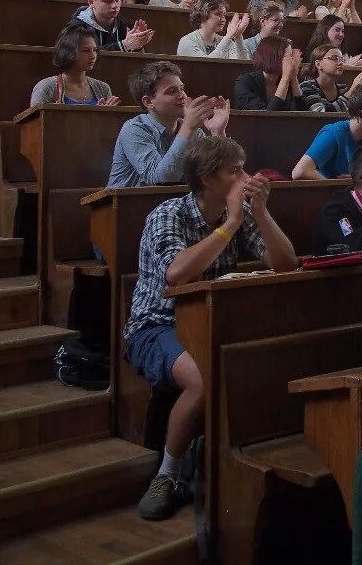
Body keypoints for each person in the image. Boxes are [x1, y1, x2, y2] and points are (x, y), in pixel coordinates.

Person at [125, 136, 297, 520]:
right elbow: (177, 274)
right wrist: (233, 222)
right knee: (203, 379)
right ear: (206, 179)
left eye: (244, 169)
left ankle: (238, 461)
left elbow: (286, 265)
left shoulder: (238, 213)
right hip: (157, 326)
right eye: (235, 172)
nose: (246, 177)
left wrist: (261, 212)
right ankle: (167, 475)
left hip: (214, 322)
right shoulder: (168, 214)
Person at [108, 61, 231, 188]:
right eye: (172, 91)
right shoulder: (134, 129)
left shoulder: (192, 130)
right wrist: (188, 128)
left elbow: (218, 174)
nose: (182, 96)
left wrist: (218, 133)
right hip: (125, 205)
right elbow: (160, 179)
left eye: (181, 88)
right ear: (149, 101)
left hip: (171, 204)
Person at [30, 26, 120, 106]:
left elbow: (109, 124)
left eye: (95, 50)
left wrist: (104, 116)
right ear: (69, 52)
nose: (93, 56)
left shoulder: (103, 88)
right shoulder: (46, 87)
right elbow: (36, 123)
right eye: (86, 51)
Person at [71, 0, 155, 52]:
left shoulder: (126, 27)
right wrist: (124, 45)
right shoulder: (77, 27)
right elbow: (85, 55)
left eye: (117, 0)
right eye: (108, 1)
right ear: (91, 2)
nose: (115, 6)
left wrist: (137, 46)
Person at [233, 37, 306, 111]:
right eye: (290, 56)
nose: (293, 60)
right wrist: (285, 79)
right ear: (274, 57)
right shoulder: (244, 82)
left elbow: (302, 113)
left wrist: (294, 78)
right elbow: (268, 117)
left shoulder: (290, 81)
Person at [300, 44, 362, 113]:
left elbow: (358, 114)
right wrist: (352, 90)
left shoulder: (342, 89)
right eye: (334, 58)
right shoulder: (307, 87)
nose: (340, 63)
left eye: (341, 59)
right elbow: (321, 114)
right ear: (318, 64)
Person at [176, 0, 251, 60]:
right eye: (218, 14)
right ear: (203, 15)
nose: (223, 19)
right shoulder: (187, 41)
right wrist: (228, 37)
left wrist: (238, 36)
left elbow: (241, 66)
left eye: (224, 15)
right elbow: (207, 66)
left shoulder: (228, 42)